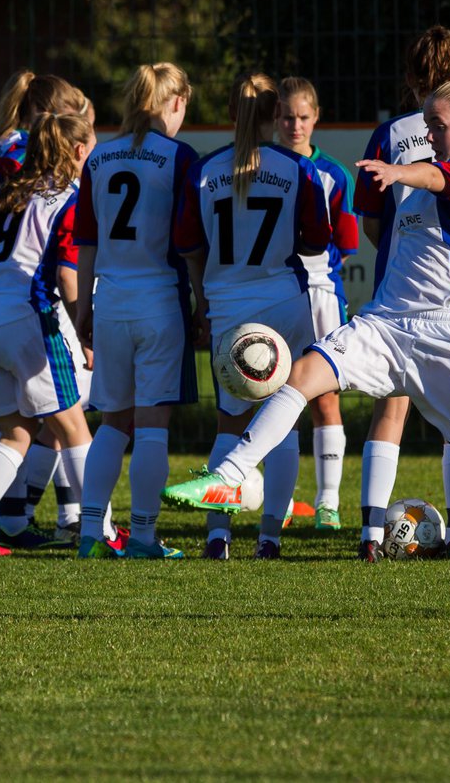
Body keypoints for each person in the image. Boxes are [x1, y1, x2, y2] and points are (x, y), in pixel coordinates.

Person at [164, 80, 450, 617]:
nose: (429, 135)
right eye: (427, 124)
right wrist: (398, 179)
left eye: (438, 126)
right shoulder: (425, 172)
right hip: (387, 324)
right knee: (303, 374)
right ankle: (231, 476)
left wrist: (398, 172)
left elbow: (444, 177)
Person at [170, 72, 332, 560]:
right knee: (284, 420)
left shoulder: (204, 170)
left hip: (228, 308)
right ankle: (269, 538)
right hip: (283, 301)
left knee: (228, 422)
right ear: (273, 115)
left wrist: (203, 300)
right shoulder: (296, 167)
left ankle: (217, 538)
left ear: (229, 116)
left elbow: (189, 247)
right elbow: (317, 240)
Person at [0, 72, 97, 548]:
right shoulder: (67, 199)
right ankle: (96, 528)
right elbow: (68, 276)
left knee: (12, 432)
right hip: (25, 322)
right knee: (74, 426)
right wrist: (85, 331)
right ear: (75, 151)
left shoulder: (2, 197)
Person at [72, 62, 198, 559]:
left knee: (111, 422)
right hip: (159, 300)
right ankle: (143, 536)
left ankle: (89, 535)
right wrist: (203, 302)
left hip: (111, 300)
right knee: (150, 426)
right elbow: (189, 243)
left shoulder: (99, 158)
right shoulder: (180, 157)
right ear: (175, 103)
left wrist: (83, 308)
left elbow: (85, 243)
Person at [350, 25, 450, 561]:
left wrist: (397, 248)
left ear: (411, 75)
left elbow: (370, 222)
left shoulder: (390, 134)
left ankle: (371, 535)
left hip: (398, 289)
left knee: (389, 408)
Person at [276, 76, 360, 531]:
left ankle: (328, 502)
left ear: (316, 118)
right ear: (275, 118)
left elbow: (346, 243)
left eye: (303, 117)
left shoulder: (332, 174)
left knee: (324, 398)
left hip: (320, 294)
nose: (295, 125)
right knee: (272, 394)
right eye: (287, 116)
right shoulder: (260, 167)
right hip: (273, 292)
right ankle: (282, 500)